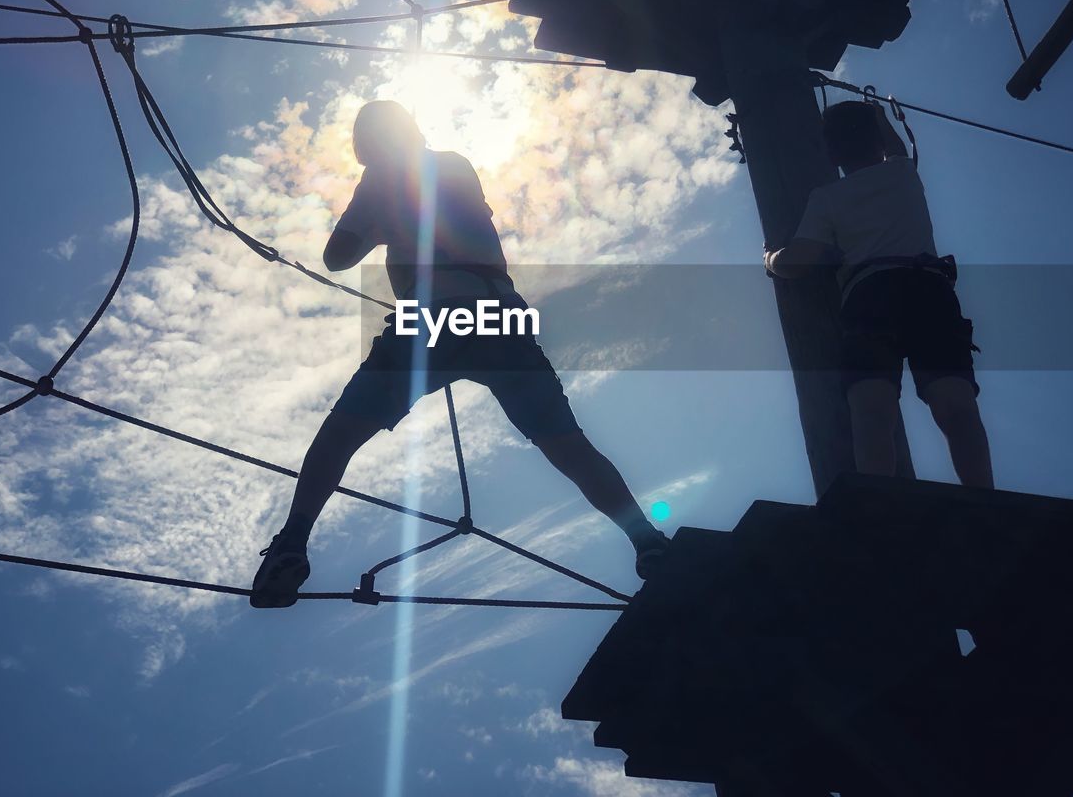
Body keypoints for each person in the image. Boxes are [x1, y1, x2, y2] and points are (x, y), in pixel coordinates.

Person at [251, 101, 668, 608]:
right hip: (499, 313)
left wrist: (374, 225)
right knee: (565, 443)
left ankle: (292, 541)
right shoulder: (456, 165)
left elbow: (337, 257)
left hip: (432, 316)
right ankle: (646, 539)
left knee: (341, 433)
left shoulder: (383, 176)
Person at [764, 100, 993, 490]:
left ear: (831, 151)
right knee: (954, 401)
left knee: (872, 406)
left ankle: (879, 500)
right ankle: (986, 497)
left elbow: (799, 261)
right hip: (929, 288)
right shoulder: (903, 173)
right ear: (876, 141)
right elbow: (896, 146)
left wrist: (770, 259)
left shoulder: (827, 198)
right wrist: (880, 112)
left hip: (870, 293)